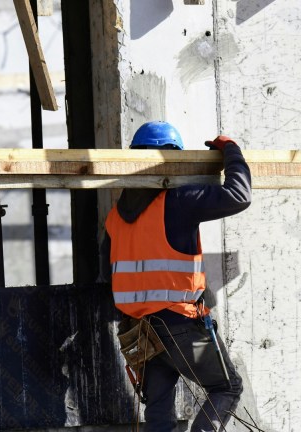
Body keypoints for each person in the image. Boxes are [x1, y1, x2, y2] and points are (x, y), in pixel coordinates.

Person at [100, 121, 252, 431]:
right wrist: (231, 150)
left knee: (159, 414)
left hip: (142, 332)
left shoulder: (115, 217)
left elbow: (108, 274)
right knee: (226, 387)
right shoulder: (179, 201)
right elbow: (240, 195)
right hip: (180, 323)